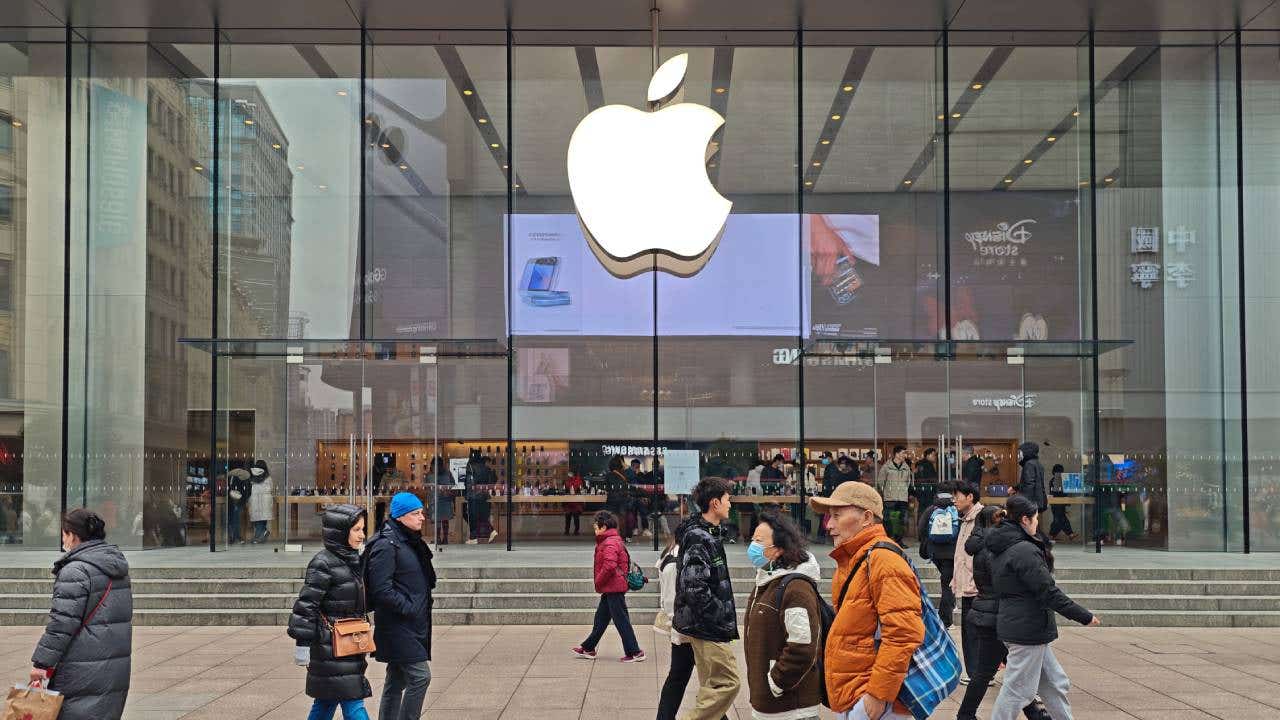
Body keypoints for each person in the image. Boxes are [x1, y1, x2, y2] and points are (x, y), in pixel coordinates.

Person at [810, 482, 923, 720]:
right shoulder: (855, 558)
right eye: (830, 517)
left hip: (873, 698)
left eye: (837, 516)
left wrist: (878, 695)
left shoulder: (883, 560)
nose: (829, 525)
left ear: (867, 518)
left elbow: (904, 633)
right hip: (856, 691)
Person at [989, 495, 1100, 720]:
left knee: (1054, 683)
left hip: (1027, 627)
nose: (1038, 523)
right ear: (1025, 520)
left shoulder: (1007, 545)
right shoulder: (1023, 551)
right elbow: (1048, 592)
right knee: (1017, 690)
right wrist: (1083, 616)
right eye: (1036, 518)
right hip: (1026, 630)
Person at [29, 509, 133, 720]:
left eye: (64, 534)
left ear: (73, 535)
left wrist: (42, 664)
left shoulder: (75, 571)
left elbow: (61, 624)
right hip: (112, 668)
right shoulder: (116, 566)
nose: (62, 539)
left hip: (80, 669)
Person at [955, 505, 1050, 720]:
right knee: (1001, 671)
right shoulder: (996, 547)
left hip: (988, 611)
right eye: (1001, 517)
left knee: (1010, 671)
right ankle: (966, 715)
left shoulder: (981, 545)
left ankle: (1033, 712)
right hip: (999, 614)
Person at [288, 504, 372, 720]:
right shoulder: (323, 563)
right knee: (354, 704)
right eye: (356, 530)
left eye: (363, 529)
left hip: (350, 644)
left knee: (325, 703)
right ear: (340, 532)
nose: (362, 535)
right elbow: (306, 605)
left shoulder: (353, 561)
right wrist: (302, 645)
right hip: (331, 647)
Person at [744, 510, 823, 720]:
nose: (752, 546)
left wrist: (776, 682)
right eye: (752, 539)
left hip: (791, 709)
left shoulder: (795, 588)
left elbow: (803, 647)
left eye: (759, 541)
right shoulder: (767, 581)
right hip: (771, 706)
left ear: (778, 549)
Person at [365, 492, 437, 720]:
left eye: (421, 513)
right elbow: (380, 589)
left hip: (412, 624)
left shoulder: (409, 541)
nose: (421, 518)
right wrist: (408, 607)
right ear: (401, 516)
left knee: (396, 679)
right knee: (420, 677)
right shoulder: (386, 545)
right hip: (398, 625)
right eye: (416, 513)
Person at [673, 477, 741, 720]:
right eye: (727, 500)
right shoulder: (699, 537)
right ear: (715, 503)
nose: (730, 505)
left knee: (712, 686)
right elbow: (694, 585)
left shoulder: (707, 533)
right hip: (708, 626)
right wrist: (717, 615)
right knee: (727, 683)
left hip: (705, 624)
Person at [572, 510, 646, 662]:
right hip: (612, 587)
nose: (595, 529)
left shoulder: (610, 542)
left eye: (596, 526)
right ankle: (588, 647)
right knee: (601, 619)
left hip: (614, 587)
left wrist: (598, 581)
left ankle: (635, 652)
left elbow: (610, 566)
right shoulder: (611, 540)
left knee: (621, 621)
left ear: (604, 526)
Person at [949, 483, 984, 681]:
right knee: (972, 631)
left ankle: (976, 673)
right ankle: (978, 672)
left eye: (957, 495)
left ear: (970, 497)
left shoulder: (980, 518)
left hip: (975, 585)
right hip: (968, 583)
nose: (954, 500)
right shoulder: (966, 519)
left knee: (973, 632)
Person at [917, 486, 958, 628]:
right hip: (952, 554)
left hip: (935, 553)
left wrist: (927, 543)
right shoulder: (955, 509)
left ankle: (949, 609)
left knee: (947, 582)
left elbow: (921, 529)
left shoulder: (931, 509)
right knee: (948, 584)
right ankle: (946, 619)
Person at [875, 445, 914, 545]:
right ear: (896, 454)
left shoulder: (906, 468)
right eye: (902, 453)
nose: (904, 455)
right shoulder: (886, 467)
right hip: (890, 498)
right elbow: (880, 482)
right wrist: (886, 491)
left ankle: (898, 540)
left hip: (902, 498)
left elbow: (909, 482)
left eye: (905, 453)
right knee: (889, 520)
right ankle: (888, 539)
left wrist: (904, 491)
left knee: (900, 520)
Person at [1016, 442, 1048, 517]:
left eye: (1020, 453)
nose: (1019, 456)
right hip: (1039, 502)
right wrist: (1015, 487)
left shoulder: (1029, 464)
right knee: (1034, 523)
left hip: (1031, 503)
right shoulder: (1037, 464)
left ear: (1026, 452)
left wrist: (1025, 504)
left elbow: (1029, 484)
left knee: (1029, 525)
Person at [1048, 464, 1077, 542]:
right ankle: (1069, 534)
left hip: (1056, 503)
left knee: (1058, 520)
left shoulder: (1053, 480)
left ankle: (1052, 535)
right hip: (1058, 503)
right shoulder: (1056, 480)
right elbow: (1059, 493)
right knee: (1060, 519)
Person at [248, 459, 274, 543]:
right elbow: (271, 488)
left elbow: (249, 488)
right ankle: (261, 534)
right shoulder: (267, 476)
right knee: (262, 519)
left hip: (255, 500)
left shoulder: (252, 476)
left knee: (257, 519)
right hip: (265, 500)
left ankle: (258, 536)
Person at [430, 457, 455, 546]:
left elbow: (452, 484)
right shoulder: (433, 474)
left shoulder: (447, 473)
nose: (433, 467)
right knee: (438, 520)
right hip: (437, 499)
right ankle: (439, 539)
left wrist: (446, 489)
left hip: (444, 499)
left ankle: (444, 538)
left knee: (443, 520)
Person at [227, 467, 252, 544]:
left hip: (234, 501)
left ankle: (234, 537)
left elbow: (231, 489)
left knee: (233, 519)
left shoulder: (232, 478)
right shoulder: (243, 478)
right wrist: (245, 499)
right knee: (236, 519)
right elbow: (247, 491)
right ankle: (235, 536)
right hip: (238, 501)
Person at [565, 469, 585, 536]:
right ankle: (567, 530)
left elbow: (580, 488)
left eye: (570, 473)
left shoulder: (578, 480)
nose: (569, 474)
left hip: (575, 502)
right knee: (568, 517)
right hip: (569, 501)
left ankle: (576, 531)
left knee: (575, 517)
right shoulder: (568, 480)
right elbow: (566, 488)